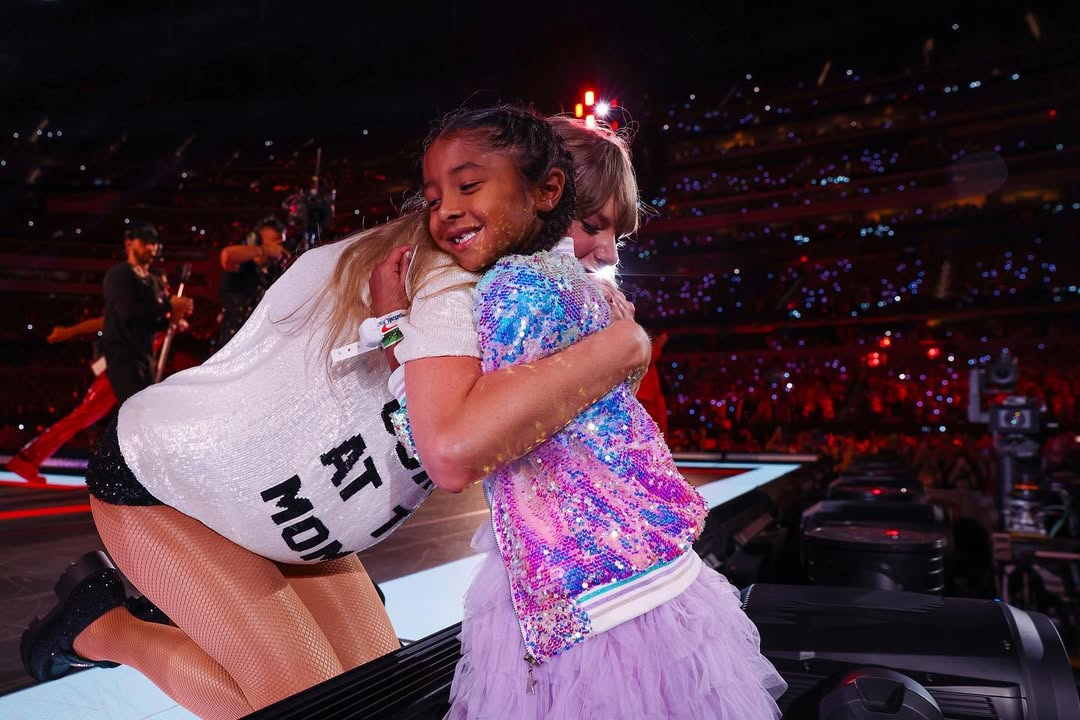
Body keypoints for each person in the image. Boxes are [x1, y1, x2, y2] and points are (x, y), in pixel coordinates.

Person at [23, 199, 650, 716]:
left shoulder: (512, 307)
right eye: (593, 226)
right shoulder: (432, 285)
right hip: (173, 489)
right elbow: (457, 454)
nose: (609, 256)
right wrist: (615, 348)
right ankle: (107, 627)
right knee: (326, 714)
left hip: (288, 522)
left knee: (387, 705)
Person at [398, 106, 785, 718]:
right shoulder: (577, 297)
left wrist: (396, 331)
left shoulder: (519, 291)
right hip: (643, 572)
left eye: (615, 234)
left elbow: (446, 434)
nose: (605, 250)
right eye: (593, 224)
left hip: (581, 586)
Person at [6, 317, 112, 484]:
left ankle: (28, 459)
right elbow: (109, 321)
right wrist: (70, 331)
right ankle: (28, 458)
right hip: (124, 368)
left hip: (131, 366)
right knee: (83, 416)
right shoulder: (148, 302)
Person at [102, 223, 194, 404]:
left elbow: (150, 320)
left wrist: (172, 320)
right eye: (144, 242)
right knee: (134, 408)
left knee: (146, 408)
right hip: (124, 356)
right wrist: (169, 305)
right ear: (129, 244)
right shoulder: (120, 275)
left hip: (146, 356)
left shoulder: (154, 282)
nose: (150, 248)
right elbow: (129, 312)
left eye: (153, 243)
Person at [216, 216, 289, 348]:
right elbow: (227, 256)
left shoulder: (276, 270)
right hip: (233, 342)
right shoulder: (242, 264)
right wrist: (264, 249)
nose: (276, 247)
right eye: (272, 242)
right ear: (255, 240)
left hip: (262, 344)